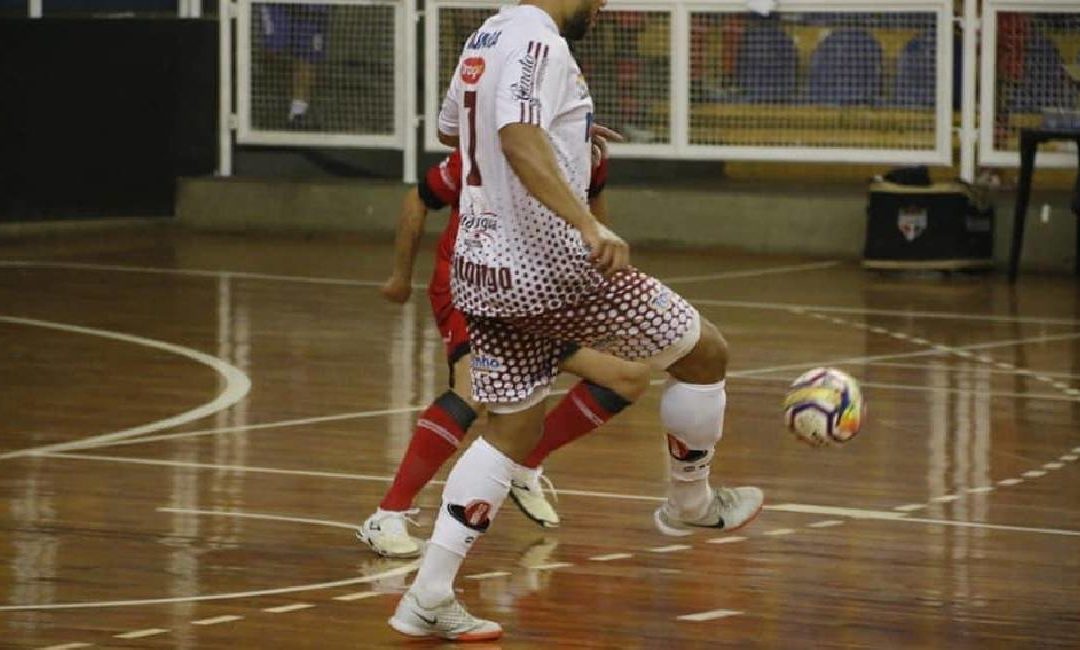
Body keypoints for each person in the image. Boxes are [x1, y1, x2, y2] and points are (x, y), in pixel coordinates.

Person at [390, 1, 763, 641]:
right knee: (705, 356)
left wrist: (569, 135)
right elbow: (514, 135)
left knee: (510, 429)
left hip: (481, 270)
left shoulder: (488, 34)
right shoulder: (541, 43)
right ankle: (690, 503)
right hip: (548, 265)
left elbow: (461, 131)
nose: (604, 3)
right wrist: (586, 219)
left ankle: (425, 597)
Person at [358, 138, 618, 558]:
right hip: (475, 285)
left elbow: (594, 213)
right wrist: (400, 276)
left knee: (626, 373)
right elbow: (418, 198)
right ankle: (388, 514)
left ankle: (525, 461)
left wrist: (596, 279)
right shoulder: (495, 146)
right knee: (474, 386)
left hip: (536, 292)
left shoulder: (587, 152)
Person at [259, 4, 331, 127]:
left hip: (312, 8)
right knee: (272, 53)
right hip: (277, 5)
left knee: (308, 59)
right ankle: (286, 99)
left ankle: (298, 112)